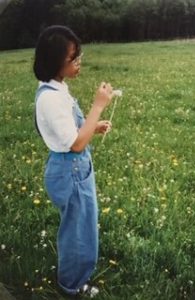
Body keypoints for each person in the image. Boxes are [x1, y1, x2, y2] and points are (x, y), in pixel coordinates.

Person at [33, 25, 114, 297]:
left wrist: (94, 126)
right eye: (73, 58)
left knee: (83, 225)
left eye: (79, 55)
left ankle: (76, 277)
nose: (79, 62)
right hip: (70, 171)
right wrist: (98, 105)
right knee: (78, 233)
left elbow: (74, 132)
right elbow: (76, 143)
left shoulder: (57, 87)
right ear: (55, 61)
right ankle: (71, 285)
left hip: (75, 168)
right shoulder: (51, 100)